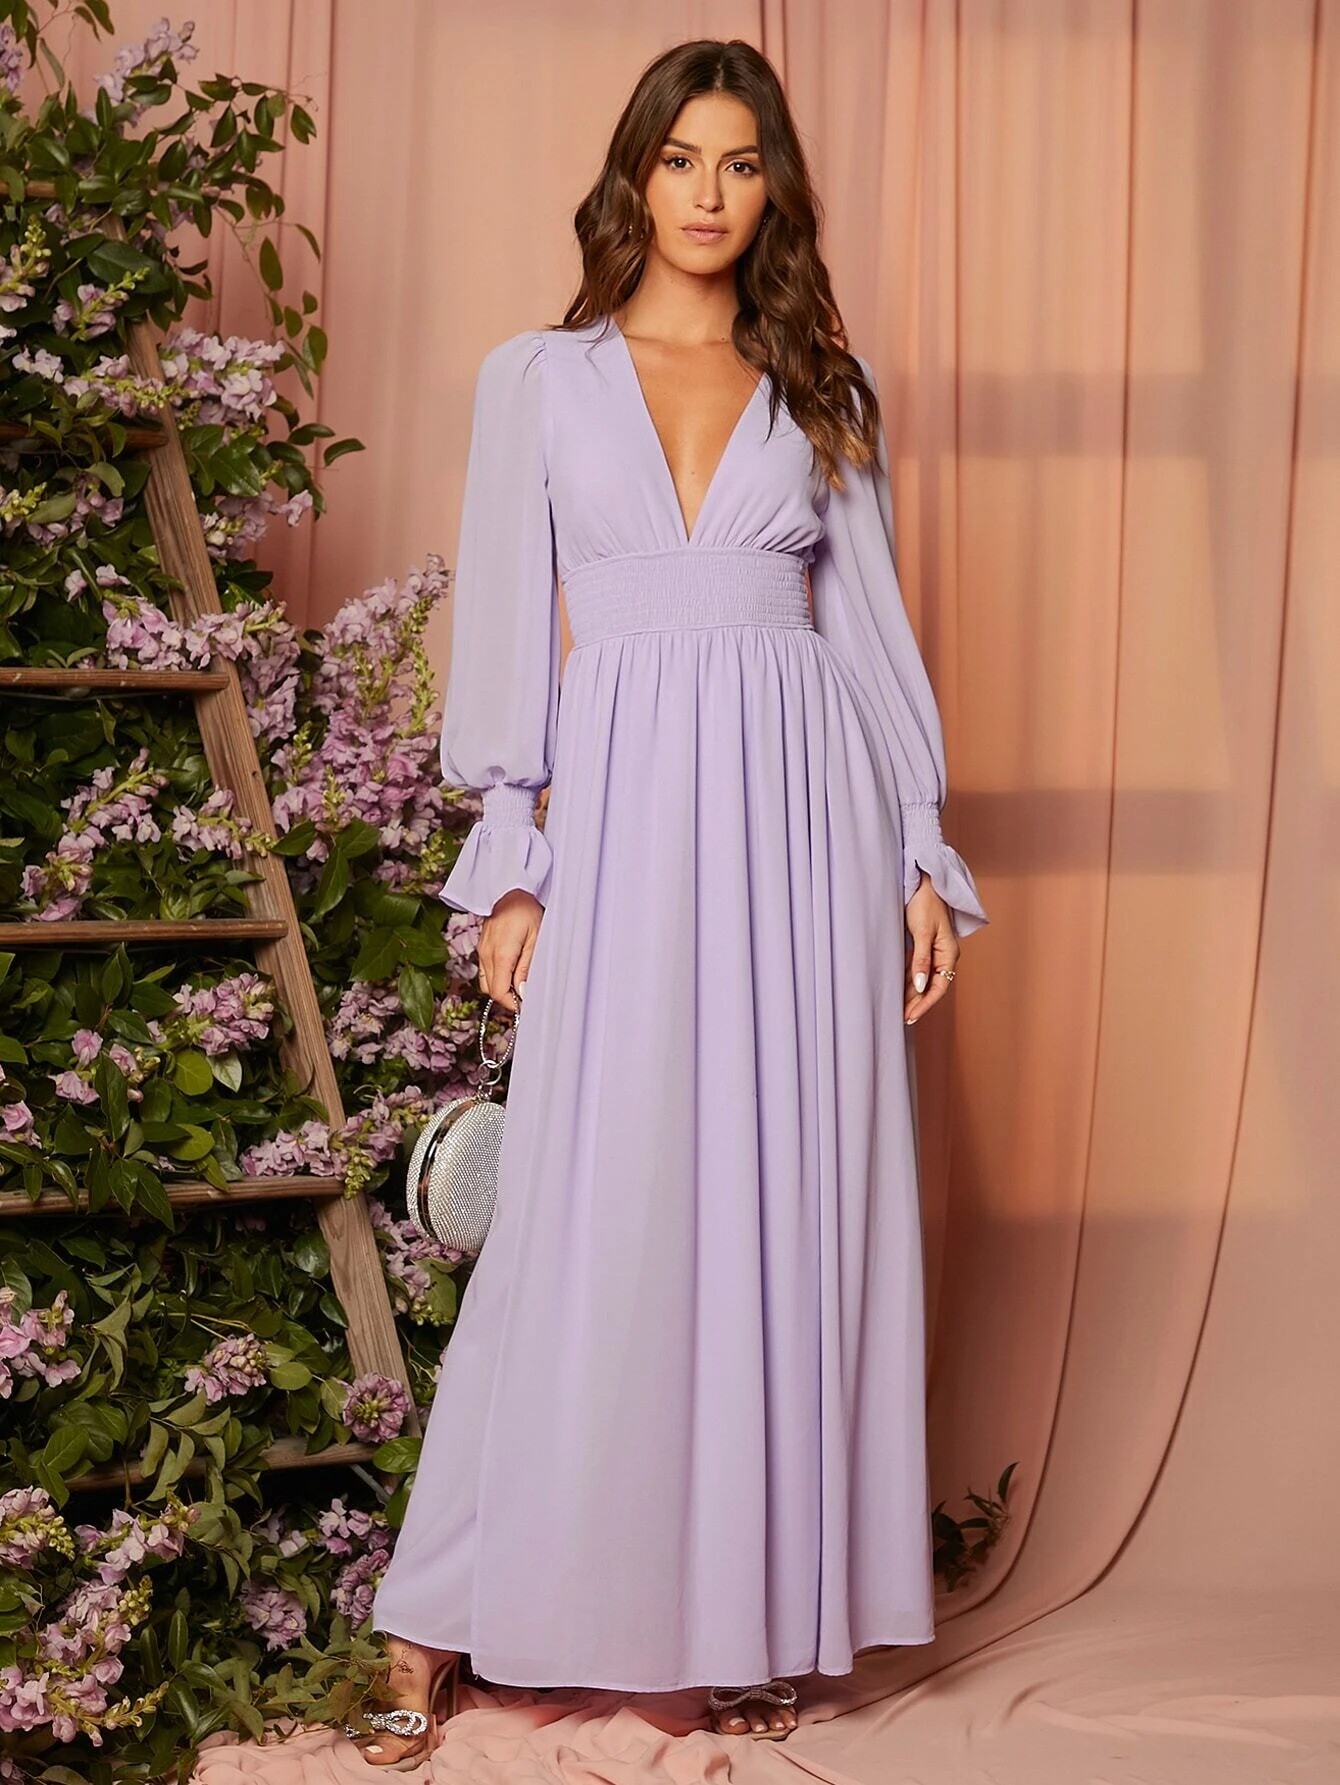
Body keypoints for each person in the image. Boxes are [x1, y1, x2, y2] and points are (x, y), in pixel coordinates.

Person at [349, 35, 989, 1767]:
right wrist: (513, 859)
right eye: (681, 160)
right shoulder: (539, 381)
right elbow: (508, 635)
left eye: (741, 164)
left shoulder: (827, 386)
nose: (709, 195)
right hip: (626, 824)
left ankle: (740, 1617)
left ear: (776, 190)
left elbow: (871, 636)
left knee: (775, 1210)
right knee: (586, 1209)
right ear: (635, 177)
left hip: (805, 831)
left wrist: (918, 854)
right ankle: (432, 1618)